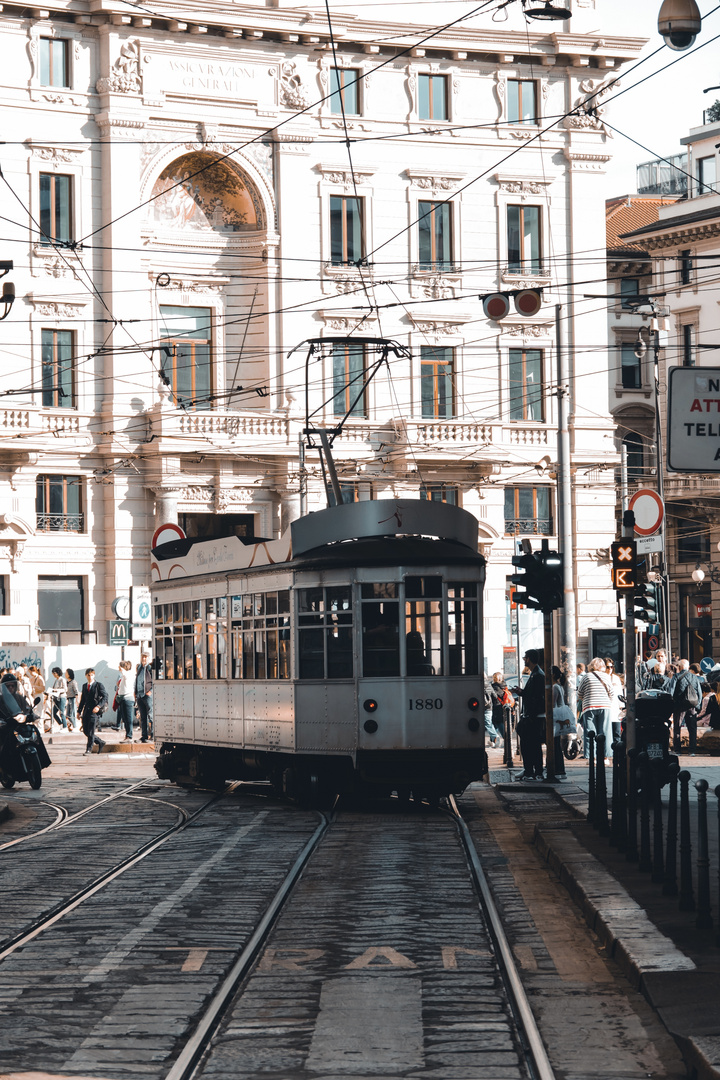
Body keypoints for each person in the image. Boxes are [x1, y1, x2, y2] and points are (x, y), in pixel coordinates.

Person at [511, 649, 545, 780]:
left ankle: (532, 771)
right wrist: (522, 692)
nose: (524, 660)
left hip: (532, 717)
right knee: (532, 745)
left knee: (531, 745)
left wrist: (529, 715)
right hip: (532, 716)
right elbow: (532, 694)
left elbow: (536, 697)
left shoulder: (537, 675)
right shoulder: (535, 674)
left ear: (529, 659)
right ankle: (532, 770)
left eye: (525, 658)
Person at [577, 657, 615, 762]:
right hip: (605, 706)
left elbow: (579, 693)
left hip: (589, 706)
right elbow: (611, 693)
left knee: (590, 732)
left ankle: (591, 757)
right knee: (605, 732)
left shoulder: (586, 676)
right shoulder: (607, 677)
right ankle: (605, 757)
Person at [668, 659, 704, 754]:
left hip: (679, 707)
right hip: (692, 707)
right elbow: (699, 693)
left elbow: (671, 692)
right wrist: (697, 705)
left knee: (677, 728)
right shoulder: (694, 677)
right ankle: (692, 751)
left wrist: (671, 706)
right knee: (692, 729)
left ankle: (677, 750)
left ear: (679, 667)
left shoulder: (676, 676)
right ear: (688, 667)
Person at [78, 668, 108, 755]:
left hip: (94, 711)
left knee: (91, 731)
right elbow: (83, 699)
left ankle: (89, 749)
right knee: (86, 731)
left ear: (94, 675)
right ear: (86, 675)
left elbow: (105, 696)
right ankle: (100, 742)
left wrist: (98, 706)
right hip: (86, 711)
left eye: (91, 675)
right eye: (88, 675)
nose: (90, 677)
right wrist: (79, 711)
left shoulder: (98, 685)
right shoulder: (84, 686)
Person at [551, 666, 568, 779]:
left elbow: (551, 704)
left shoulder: (554, 687)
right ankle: (559, 769)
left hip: (555, 717)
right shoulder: (559, 686)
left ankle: (558, 769)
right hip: (559, 716)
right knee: (556, 744)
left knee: (555, 744)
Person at [134, 653, 153, 743]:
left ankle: (152, 735)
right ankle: (144, 736)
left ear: (148, 658)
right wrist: (135, 691)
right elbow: (137, 680)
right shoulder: (139, 667)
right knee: (143, 717)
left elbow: (155, 680)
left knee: (151, 715)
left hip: (147, 695)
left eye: (145, 657)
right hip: (139, 695)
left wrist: (151, 690)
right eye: (143, 657)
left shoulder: (150, 668)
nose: (144, 659)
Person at [604, 658, 623, 744]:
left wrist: (621, 706)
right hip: (605, 707)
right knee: (606, 733)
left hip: (615, 708)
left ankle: (617, 754)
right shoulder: (602, 678)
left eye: (611, 667)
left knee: (617, 732)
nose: (610, 669)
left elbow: (620, 693)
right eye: (608, 667)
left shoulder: (616, 678)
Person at [115, 660, 135, 741]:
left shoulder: (129, 674)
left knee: (128, 718)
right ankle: (127, 735)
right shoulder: (124, 676)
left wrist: (121, 668)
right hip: (123, 698)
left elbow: (124, 673)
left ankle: (129, 735)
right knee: (125, 718)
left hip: (128, 698)